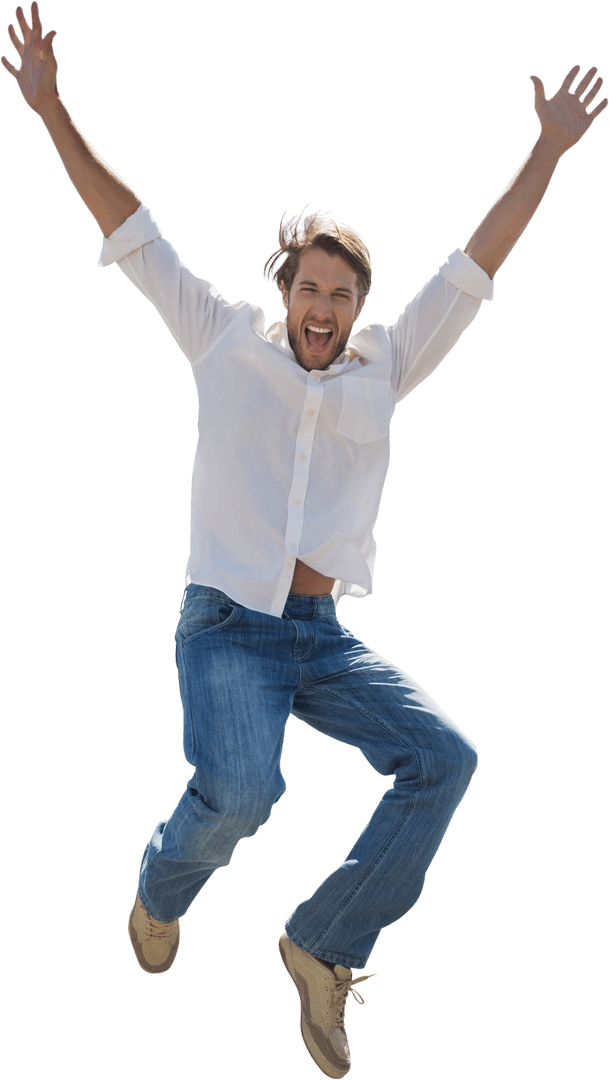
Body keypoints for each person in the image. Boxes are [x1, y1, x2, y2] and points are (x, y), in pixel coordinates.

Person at [4, 5, 606, 1077]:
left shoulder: (388, 365)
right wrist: (52, 109)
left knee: (445, 760)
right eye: (309, 290)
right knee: (242, 798)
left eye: (343, 295)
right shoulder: (223, 339)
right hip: (226, 624)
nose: (323, 310)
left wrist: (548, 150)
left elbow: (478, 258)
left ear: (361, 304)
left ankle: (325, 944)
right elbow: (133, 227)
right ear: (281, 288)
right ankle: (159, 888)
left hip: (320, 635)